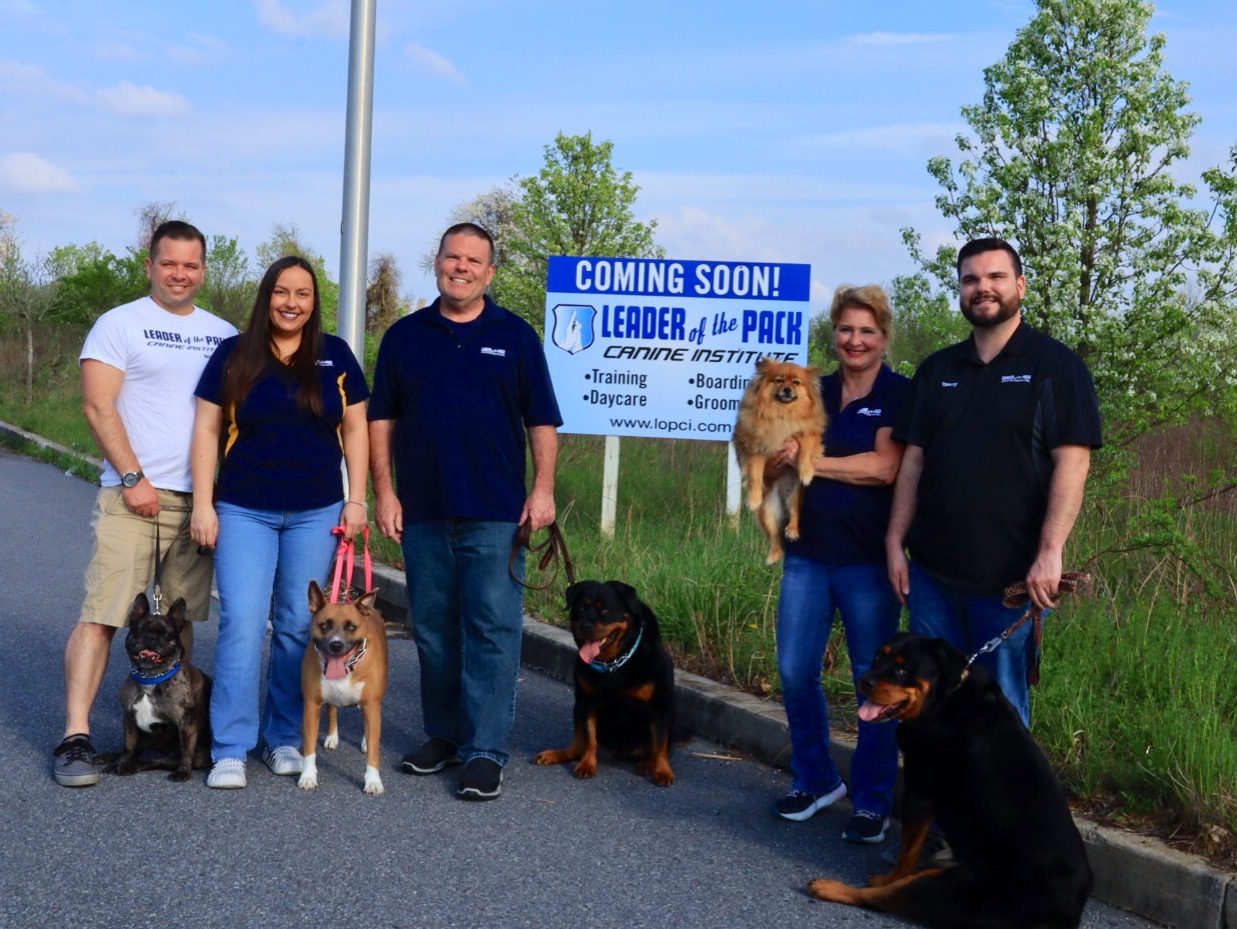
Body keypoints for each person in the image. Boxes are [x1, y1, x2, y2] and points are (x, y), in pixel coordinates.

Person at [369, 222, 561, 801]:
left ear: (489, 272)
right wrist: (385, 490)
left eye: (474, 260)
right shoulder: (405, 336)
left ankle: (484, 750)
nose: (462, 267)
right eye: (453, 257)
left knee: (492, 630)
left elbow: (542, 420)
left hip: (496, 510)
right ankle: (445, 736)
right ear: (437, 264)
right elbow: (382, 420)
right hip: (423, 510)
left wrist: (543, 489)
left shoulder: (517, 336)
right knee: (432, 629)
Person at [886, 238, 1103, 726]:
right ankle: (940, 805)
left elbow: (1073, 463)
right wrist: (895, 540)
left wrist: (1051, 552)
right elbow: (913, 462)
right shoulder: (937, 369)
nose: (982, 288)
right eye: (970, 279)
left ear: (1020, 285)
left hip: (1010, 581)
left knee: (997, 717)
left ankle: (1003, 806)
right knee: (930, 711)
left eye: (995, 277)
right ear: (960, 291)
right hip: (932, 577)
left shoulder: (1056, 367)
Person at [54, 221, 237, 787]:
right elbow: (97, 406)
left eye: (190, 265)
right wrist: (133, 476)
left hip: (198, 500)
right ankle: (76, 736)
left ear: (204, 270)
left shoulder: (223, 333)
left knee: (180, 626)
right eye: (169, 263)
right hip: (132, 494)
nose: (180, 274)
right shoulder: (119, 323)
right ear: (150, 265)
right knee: (105, 615)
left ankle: (168, 727)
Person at [190, 256, 370, 789]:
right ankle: (230, 747)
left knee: (299, 626)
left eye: (304, 294)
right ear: (267, 296)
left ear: (315, 303)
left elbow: (356, 430)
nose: (291, 303)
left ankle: (285, 738)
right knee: (243, 622)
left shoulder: (335, 356)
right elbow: (206, 430)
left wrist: (356, 499)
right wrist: (205, 503)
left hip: (316, 512)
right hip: (244, 507)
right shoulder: (233, 355)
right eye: (282, 292)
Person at [768, 285, 910, 845]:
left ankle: (873, 802)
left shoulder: (900, 393)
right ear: (835, 333)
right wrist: (782, 461)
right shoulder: (812, 388)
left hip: (868, 562)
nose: (855, 340)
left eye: (867, 331)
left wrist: (811, 460)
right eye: (847, 330)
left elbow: (882, 468)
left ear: (883, 337)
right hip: (806, 554)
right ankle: (817, 780)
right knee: (795, 672)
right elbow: (778, 456)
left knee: (871, 683)